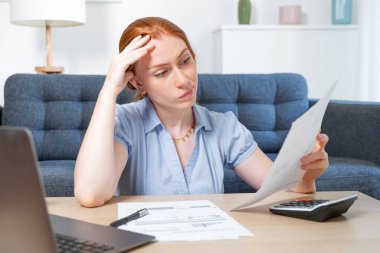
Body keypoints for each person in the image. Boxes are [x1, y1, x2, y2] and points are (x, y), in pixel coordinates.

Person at [74, 17, 329, 208]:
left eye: (185, 61)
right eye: (162, 72)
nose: (184, 80)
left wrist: (306, 176)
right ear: (138, 83)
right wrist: (109, 89)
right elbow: (91, 194)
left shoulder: (225, 127)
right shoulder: (125, 121)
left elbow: (283, 191)